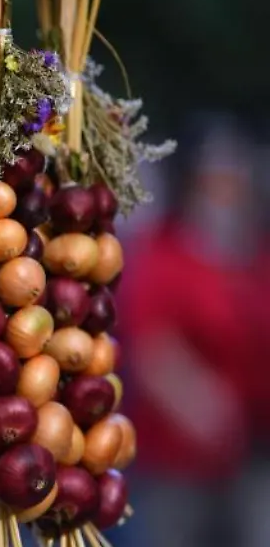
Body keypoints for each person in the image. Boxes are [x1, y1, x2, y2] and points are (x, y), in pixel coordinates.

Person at [115, 116, 265, 547]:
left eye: (234, 180)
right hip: (177, 459)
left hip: (251, 455)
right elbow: (151, 346)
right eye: (215, 181)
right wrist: (201, 405)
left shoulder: (253, 253)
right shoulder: (164, 251)